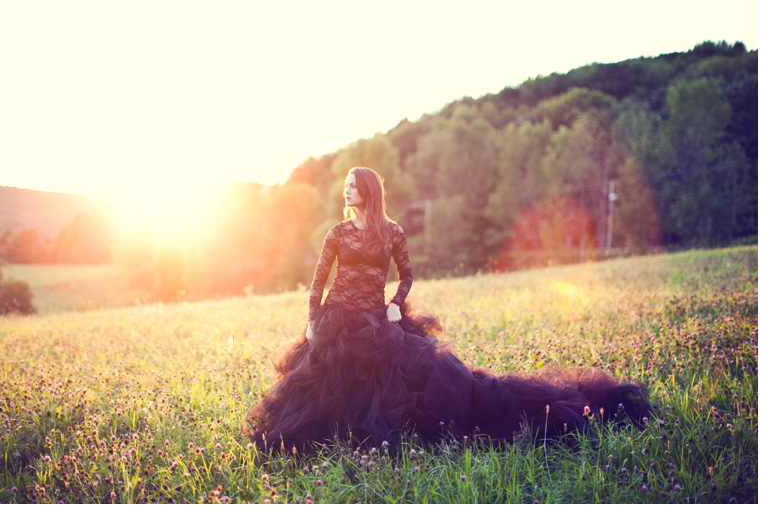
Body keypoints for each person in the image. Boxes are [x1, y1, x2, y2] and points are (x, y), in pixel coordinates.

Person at [245, 167, 650, 451]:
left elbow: (405, 277)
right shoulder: (337, 233)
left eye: (353, 185)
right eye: (346, 185)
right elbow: (319, 280)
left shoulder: (392, 232)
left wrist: (395, 306)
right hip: (335, 321)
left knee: (435, 390)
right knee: (319, 395)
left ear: (369, 190)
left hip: (375, 320)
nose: (347, 191)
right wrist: (313, 320)